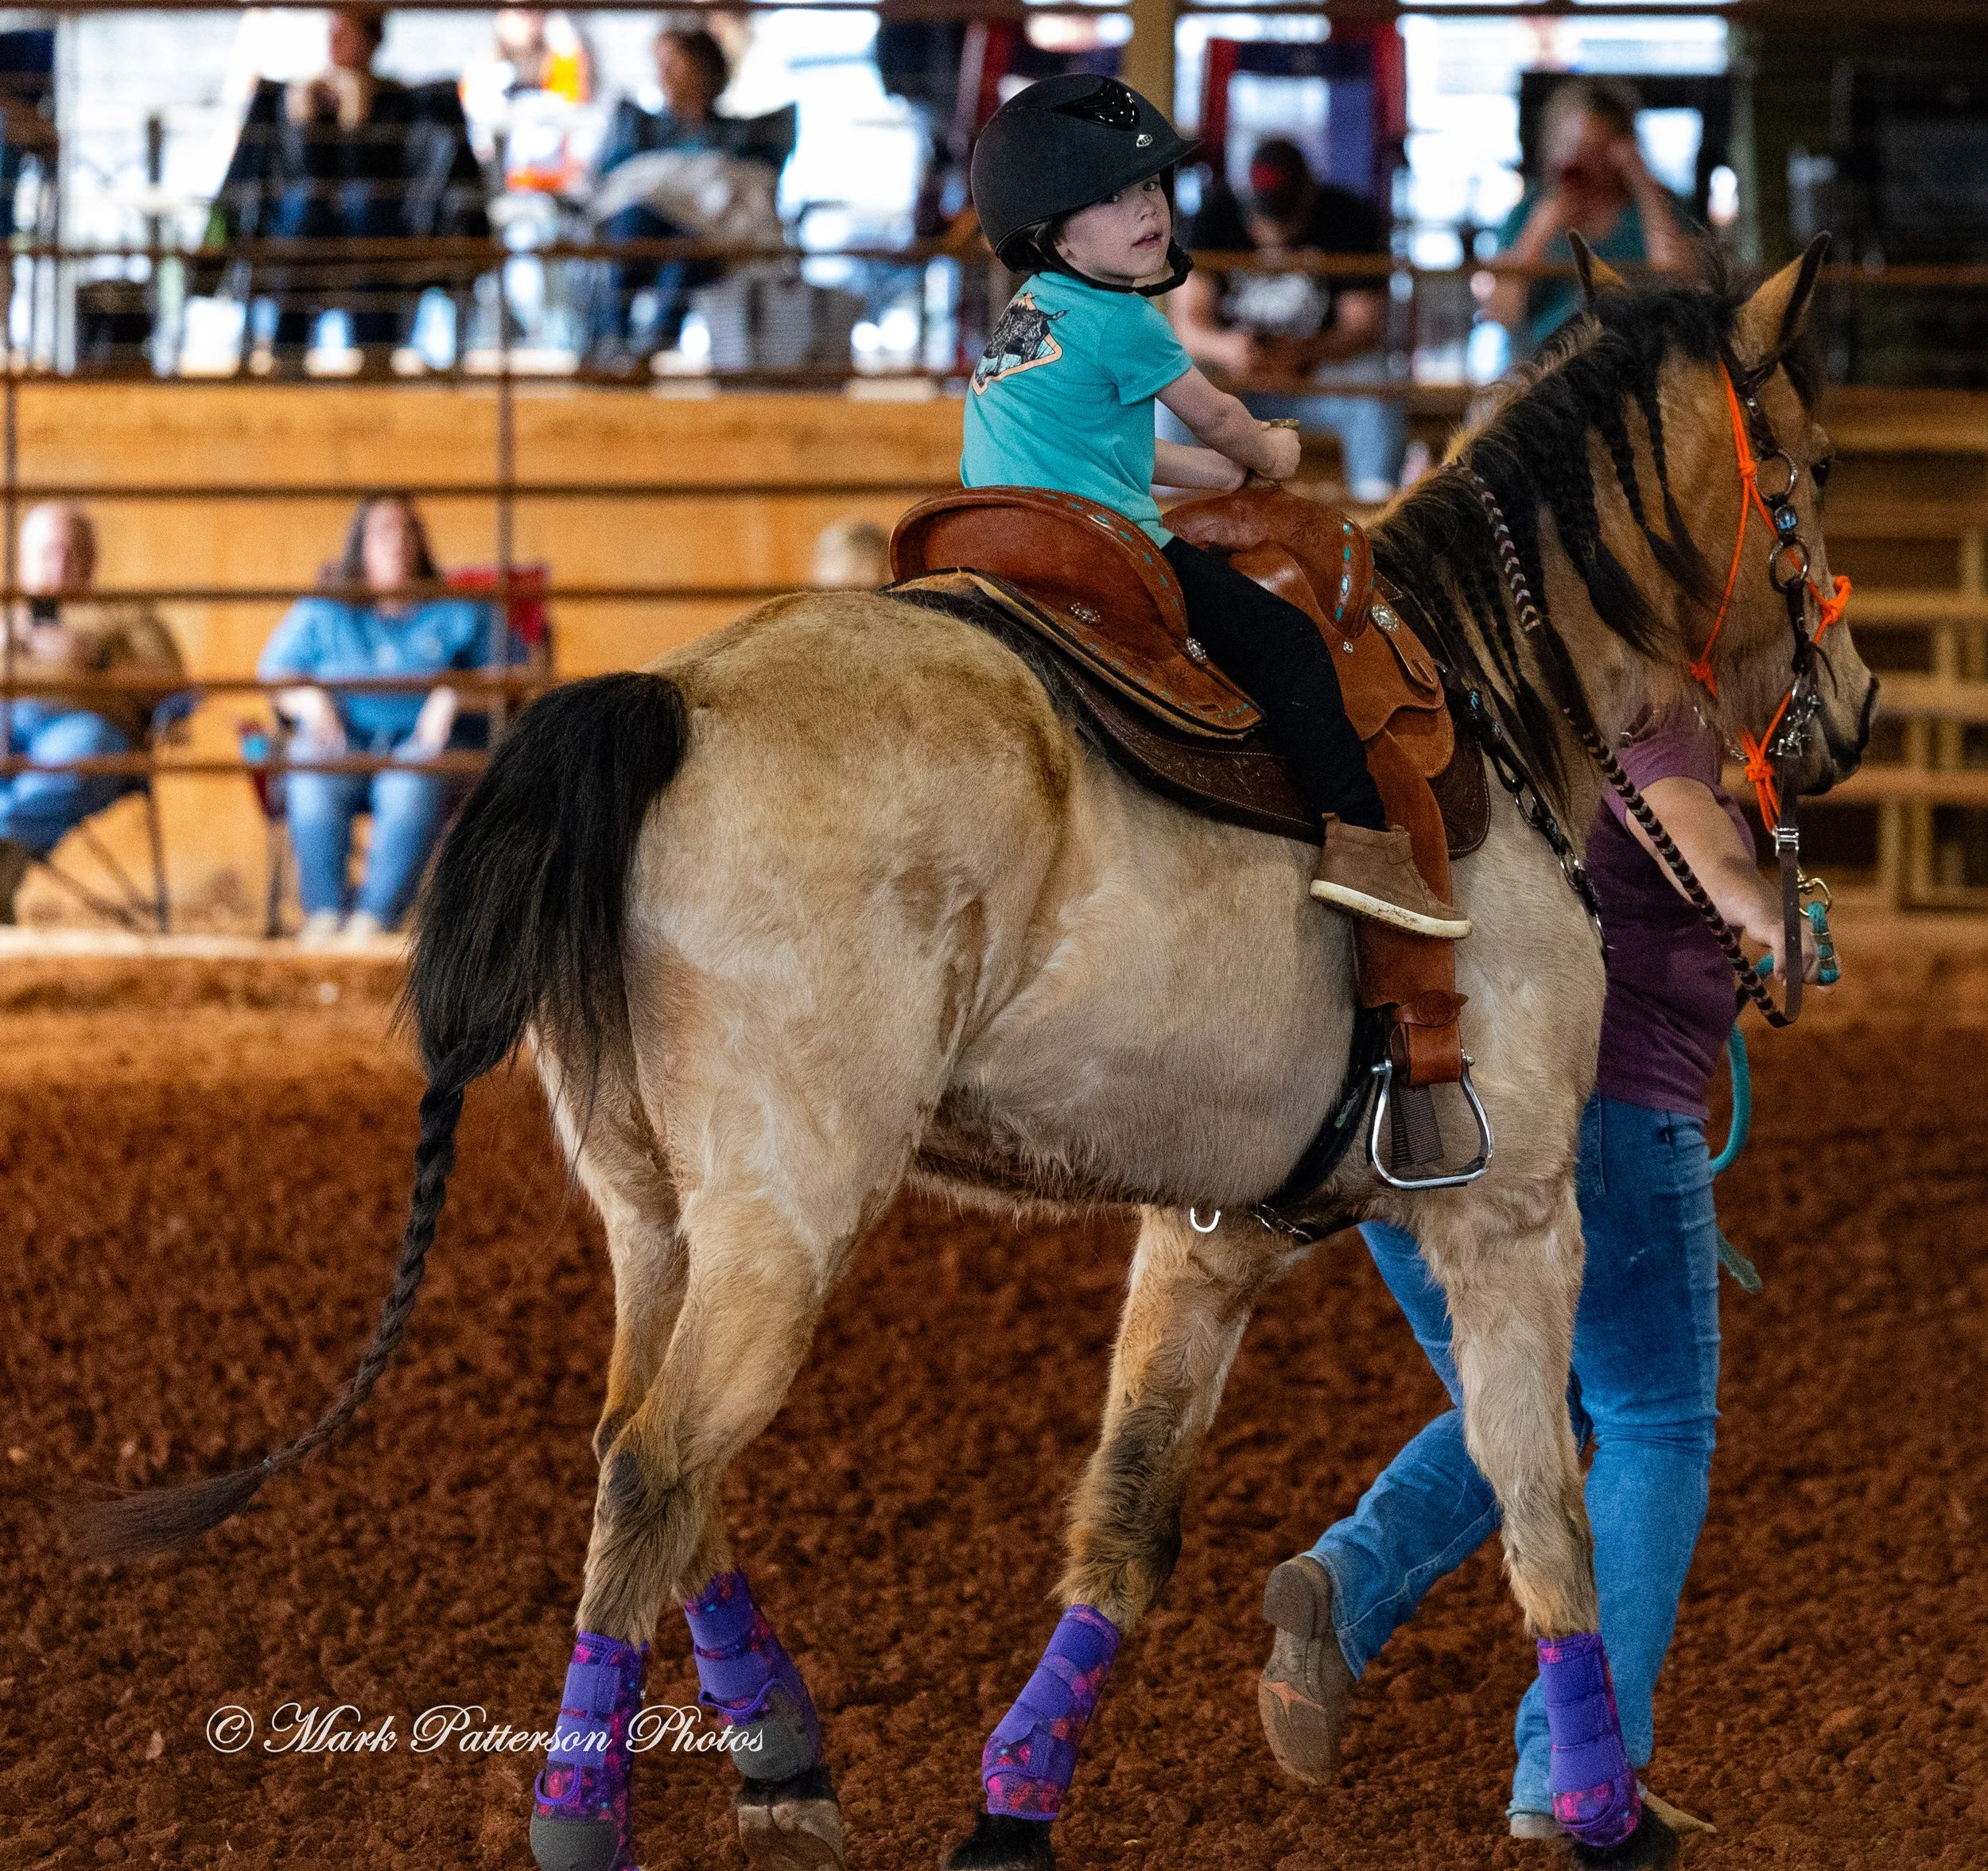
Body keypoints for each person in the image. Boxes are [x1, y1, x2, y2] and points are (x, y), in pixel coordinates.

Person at [1256, 701, 1828, 1839]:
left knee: (1525, 1402)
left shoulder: (1490, 685)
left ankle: (1349, 1581)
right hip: (1596, 1114)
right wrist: (1764, 902)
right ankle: (1572, 1772)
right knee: (1656, 1419)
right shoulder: (1653, 704)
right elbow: (1682, 822)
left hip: (1413, 1118)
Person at [965, 74, 1466, 941]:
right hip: (1098, 546)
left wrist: (1209, 478)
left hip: (996, 530)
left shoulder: (1031, 314)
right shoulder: (1125, 321)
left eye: (1150, 185)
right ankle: (1359, 843)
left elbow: (1098, 443)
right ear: (1051, 233)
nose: (1146, 207)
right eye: (1111, 196)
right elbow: (1223, 417)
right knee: (1289, 644)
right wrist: (1265, 454)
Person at [256, 495, 512, 942]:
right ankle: (323, 916)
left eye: (405, 530)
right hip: (341, 745)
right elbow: (273, 672)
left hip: (425, 748)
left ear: (420, 541)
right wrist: (308, 698)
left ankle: (374, 921)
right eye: (382, 531)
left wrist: (457, 691)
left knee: (412, 778)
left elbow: (516, 672)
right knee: (309, 765)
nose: (395, 542)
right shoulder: (325, 610)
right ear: (360, 544)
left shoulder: (459, 610)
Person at [201, 6, 490, 373]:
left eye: (344, 31)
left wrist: (358, 124)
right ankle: (289, 355)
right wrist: (301, 127)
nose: (333, 39)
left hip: (375, 230)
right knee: (306, 202)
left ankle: (372, 356)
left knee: (363, 201)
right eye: (332, 29)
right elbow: (299, 177)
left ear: (371, 42)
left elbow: (391, 185)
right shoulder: (302, 98)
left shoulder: (398, 102)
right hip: (307, 233)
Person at [1167, 138, 1406, 503]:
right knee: (1173, 383)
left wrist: (1303, 353)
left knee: (1374, 382)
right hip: (1235, 383)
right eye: (1263, 214)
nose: (1273, 228)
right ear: (1246, 196)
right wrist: (1230, 349)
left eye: (1284, 214)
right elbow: (1186, 326)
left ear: (1309, 194)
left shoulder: (1349, 217)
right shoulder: (1215, 217)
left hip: (1316, 377)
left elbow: (1363, 326)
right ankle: (1171, 509)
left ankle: (1377, 505)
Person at [0, 503, 185, 921]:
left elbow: (173, 689)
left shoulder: (127, 614)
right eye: (47, 553)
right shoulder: (8, 614)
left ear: (92, 559)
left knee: (82, 749)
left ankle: (5, 844)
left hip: (85, 728)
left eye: (71, 552)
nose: (59, 566)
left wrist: (98, 659)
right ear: (23, 559)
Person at [585, 27, 796, 363]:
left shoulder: (741, 138)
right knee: (632, 222)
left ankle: (648, 349)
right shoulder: (638, 132)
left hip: (708, 236)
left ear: (704, 68)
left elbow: (745, 191)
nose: (663, 74)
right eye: (660, 63)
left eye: (674, 63)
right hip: (643, 232)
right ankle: (612, 343)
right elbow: (611, 188)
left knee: (689, 251)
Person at [1488, 78, 1691, 358]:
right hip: (1545, 367)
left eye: (1597, 151)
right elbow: (1502, 313)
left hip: (1636, 362)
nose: (1583, 163)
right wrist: (1541, 229)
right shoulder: (1529, 210)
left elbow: (1680, 284)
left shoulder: (1659, 206)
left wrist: (1642, 184)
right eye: (1572, 147)